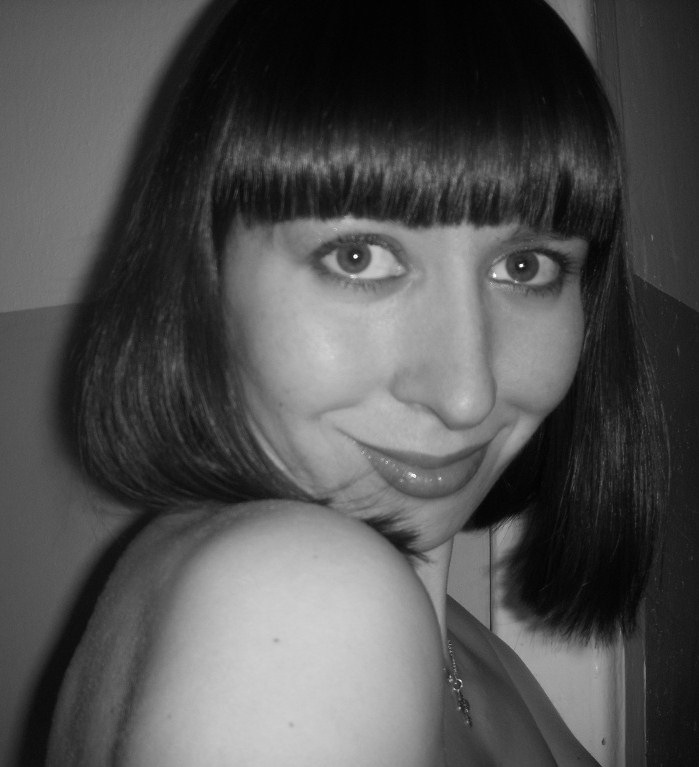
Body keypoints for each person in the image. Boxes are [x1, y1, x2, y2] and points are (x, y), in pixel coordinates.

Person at [47, 0, 665, 764]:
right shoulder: (300, 599)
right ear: (205, 276)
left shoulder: (460, 640)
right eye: (358, 257)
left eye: (523, 265)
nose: (465, 394)